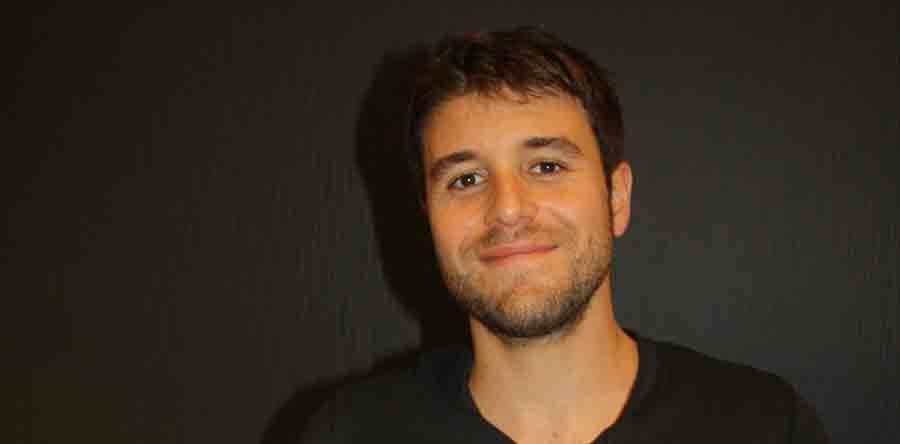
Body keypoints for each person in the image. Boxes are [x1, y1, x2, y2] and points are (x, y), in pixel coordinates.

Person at [301, 26, 829, 443]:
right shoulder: (350, 434)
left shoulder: (763, 426)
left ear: (616, 197)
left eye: (547, 166)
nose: (507, 209)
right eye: (466, 179)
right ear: (428, 220)